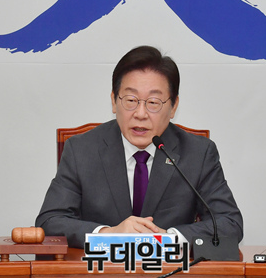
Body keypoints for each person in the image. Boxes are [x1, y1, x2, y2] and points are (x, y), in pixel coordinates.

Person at [36, 45, 243, 248]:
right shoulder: (81, 150)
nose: (141, 114)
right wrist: (109, 234)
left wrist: (168, 239)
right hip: (102, 269)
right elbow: (50, 221)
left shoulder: (198, 153)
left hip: (171, 269)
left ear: (173, 107)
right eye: (131, 100)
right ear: (114, 101)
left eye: (153, 102)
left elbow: (230, 223)